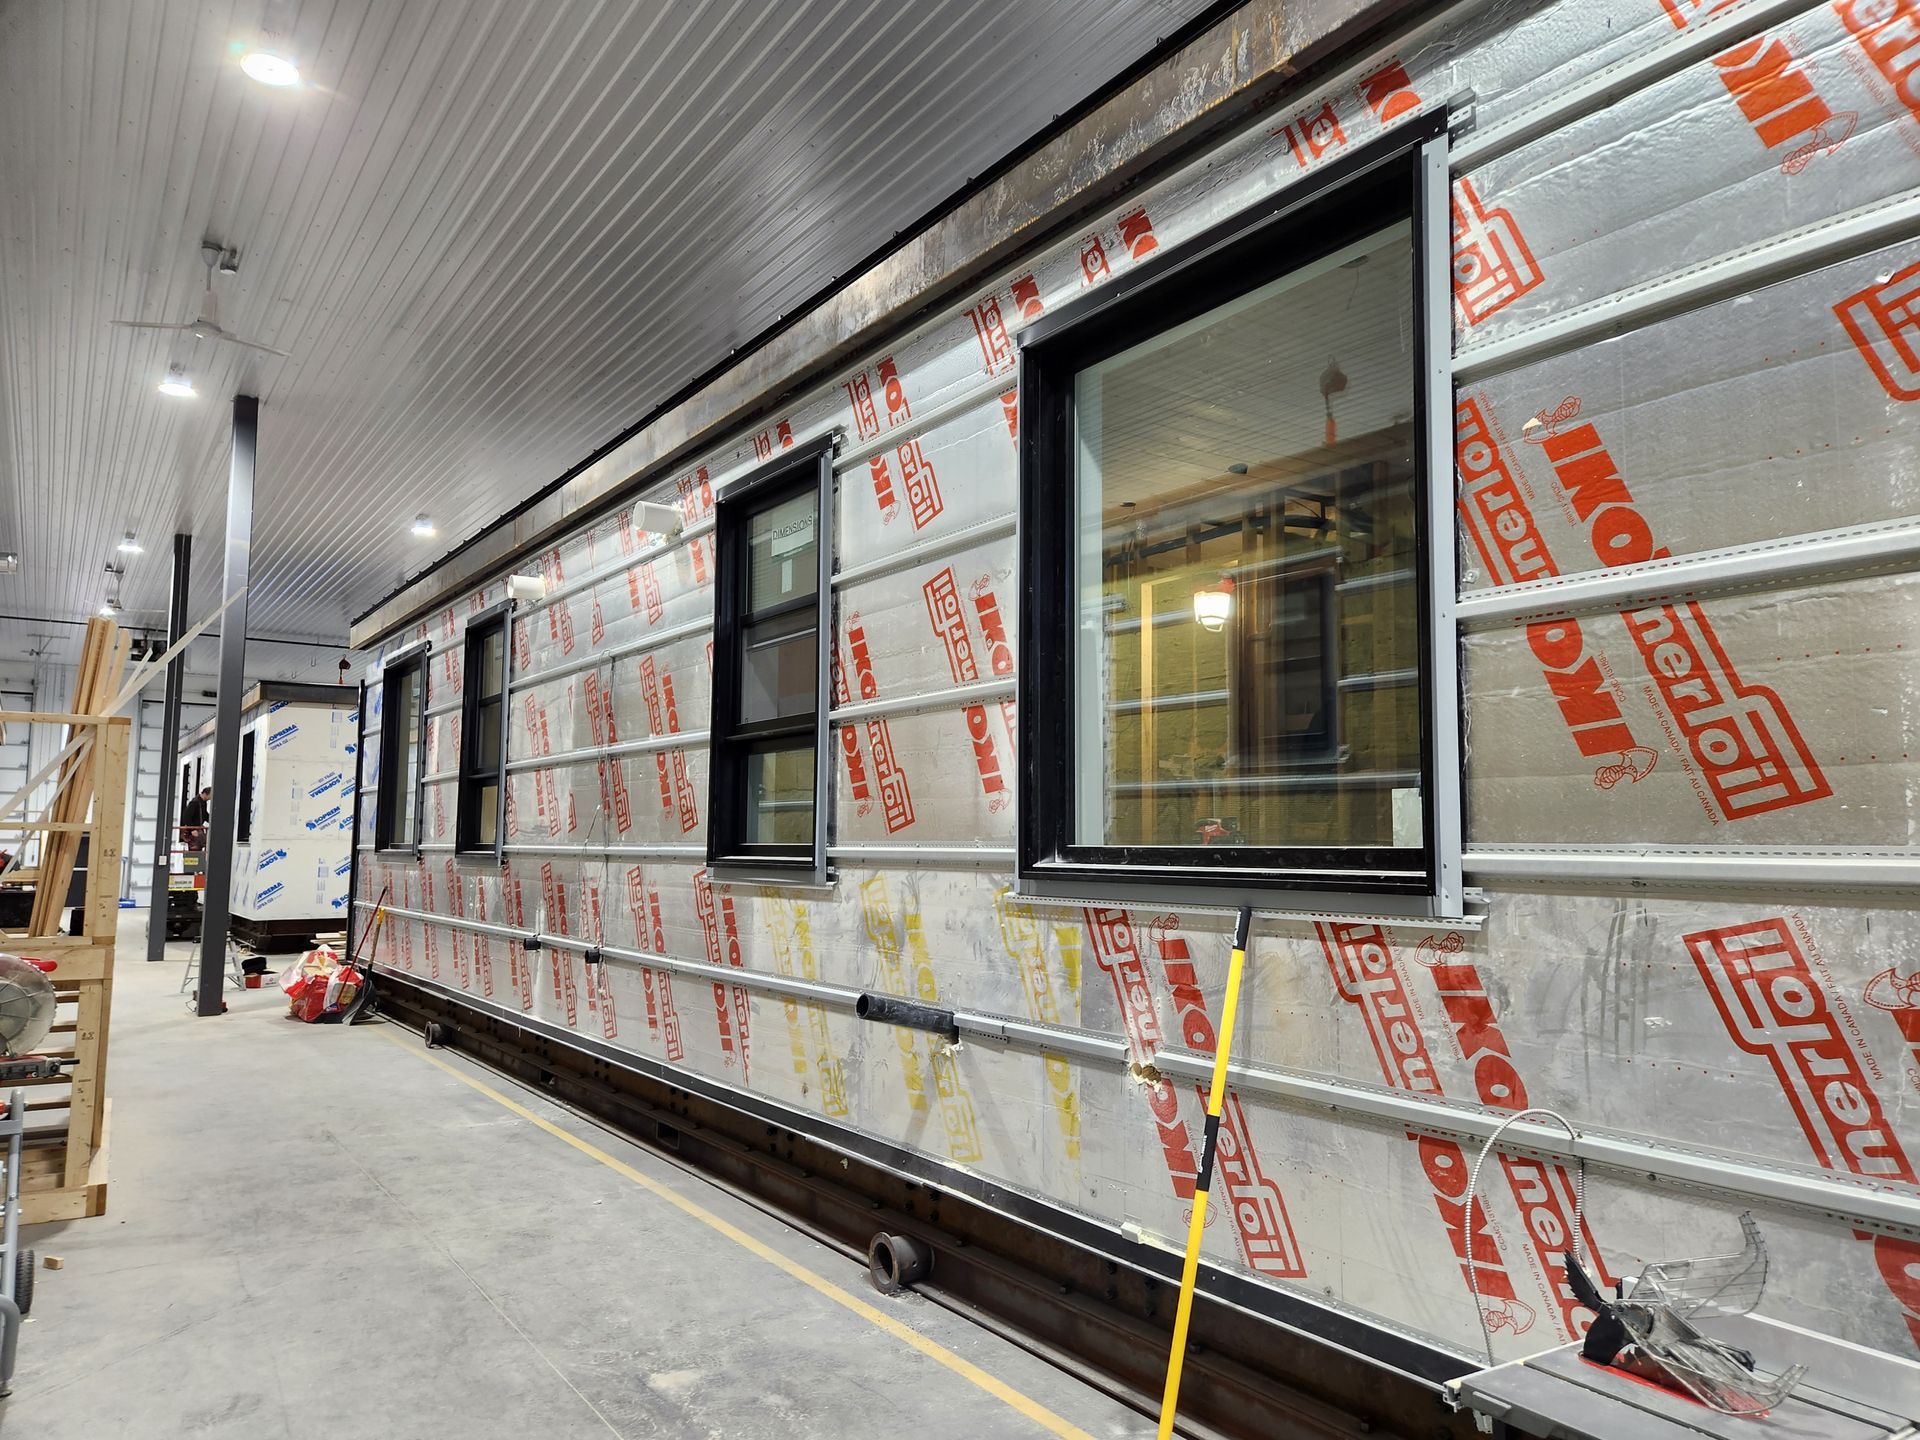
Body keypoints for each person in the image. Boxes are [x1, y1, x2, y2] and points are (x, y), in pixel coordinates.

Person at [180, 786, 212, 852]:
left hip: (198, 829)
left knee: (199, 847)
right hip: (194, 830)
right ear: (205, 794)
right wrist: (192, 829)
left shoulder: (202, 802)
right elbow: (186, 817)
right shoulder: (195, 802)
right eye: (210, 796)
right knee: (195, 849)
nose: (210, 798)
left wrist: (212, 820)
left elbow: (204, 814)